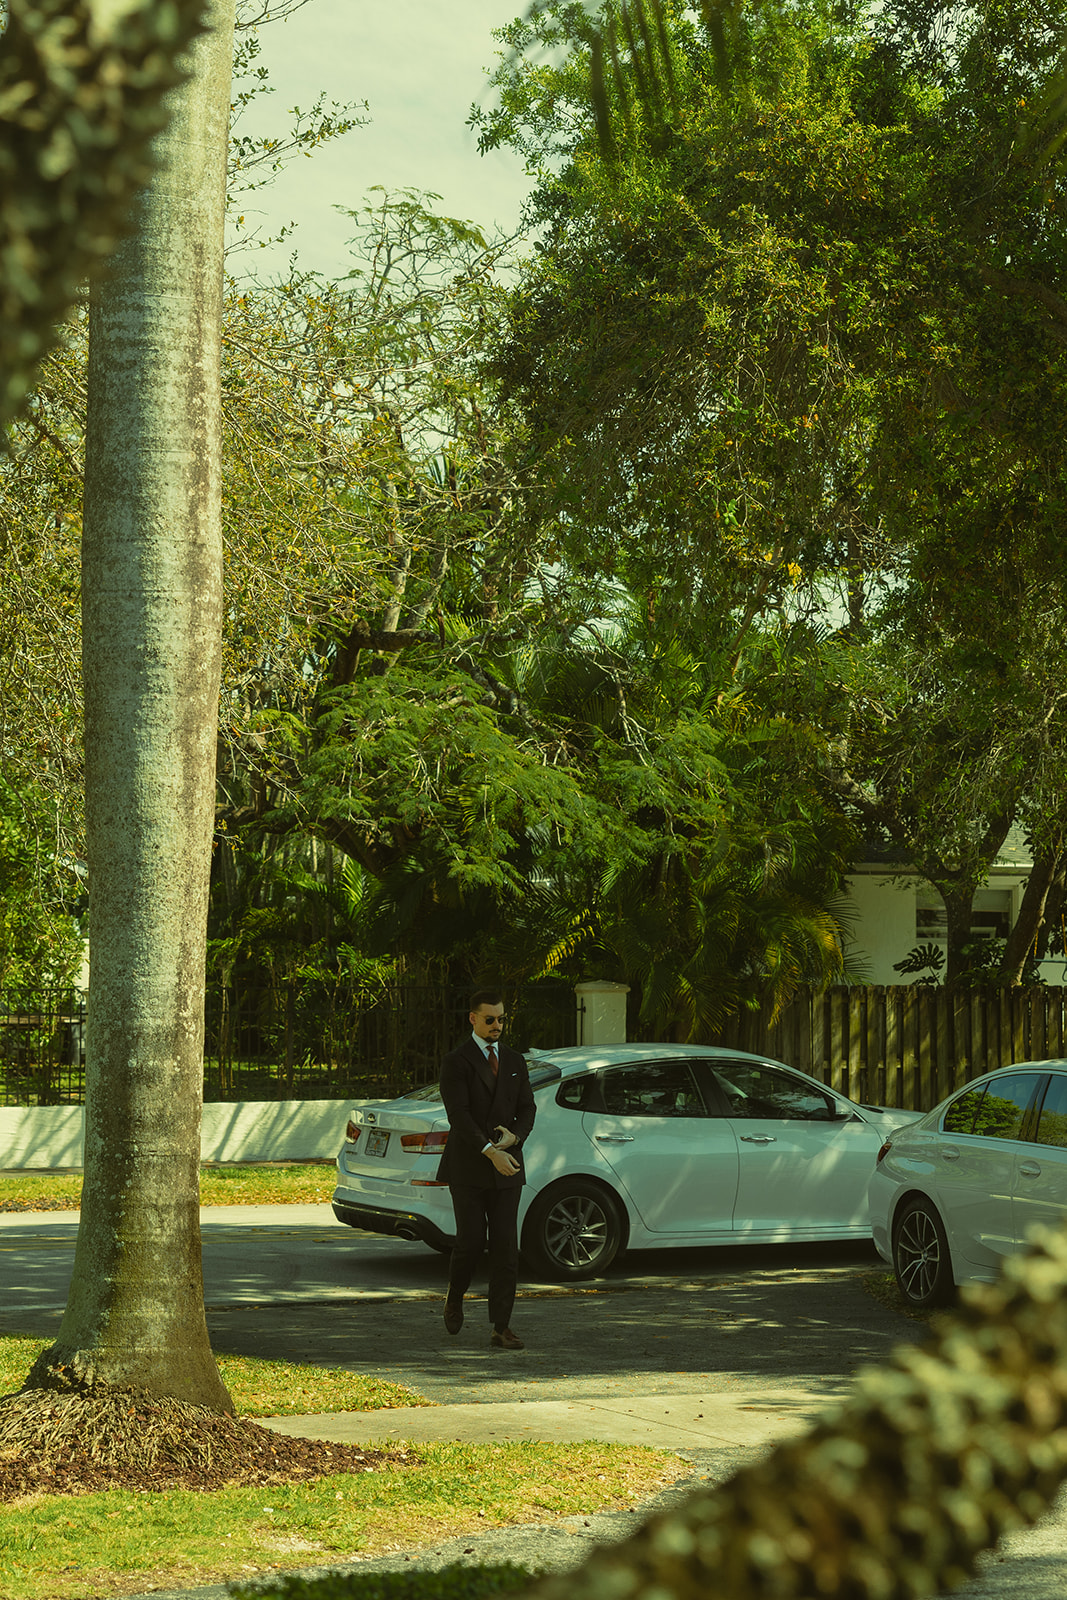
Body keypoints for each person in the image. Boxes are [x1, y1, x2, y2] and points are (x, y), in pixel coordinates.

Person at [436, 988, 536, 1349]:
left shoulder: (514, 1060)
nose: (497, 1026)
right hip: (469, 1166)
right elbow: (458, 1116)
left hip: (507, 1165)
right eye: (490, 1019)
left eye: (502, 1019)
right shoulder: (456, 1061)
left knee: (507, 1247)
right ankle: (455, 1294)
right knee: (471, 1242)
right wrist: (489, 1151)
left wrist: (515, 1137)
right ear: (473, 1019)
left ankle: (501, 1326)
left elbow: (528, 1107)